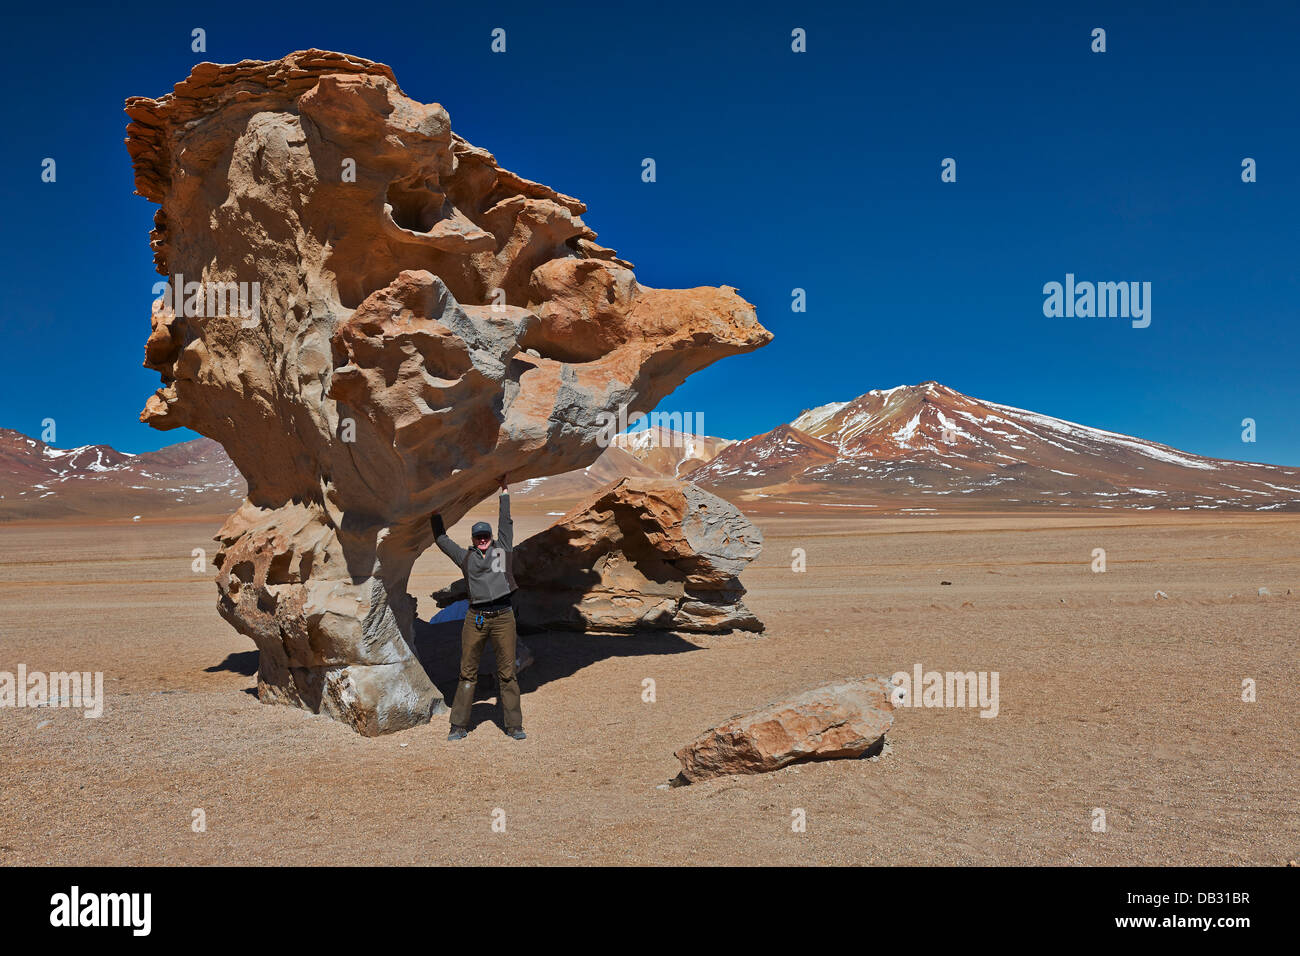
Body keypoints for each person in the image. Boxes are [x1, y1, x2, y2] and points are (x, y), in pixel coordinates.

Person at [429, 477, 525, 741]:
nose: (483, 539)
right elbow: (441, 539)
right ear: (473, 539)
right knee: (467, 672)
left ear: (491, 538)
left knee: (507, 673)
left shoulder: (502, 551)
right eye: (478, 536)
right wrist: (435, 513)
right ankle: (458, 726)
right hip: (476, 618)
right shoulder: (466, 558)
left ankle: (514, 726)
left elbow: (506, 523)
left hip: (504, 617)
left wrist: (504, 493)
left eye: (486, 536)